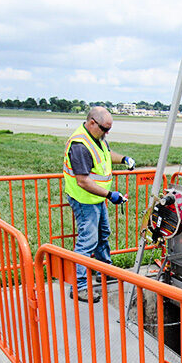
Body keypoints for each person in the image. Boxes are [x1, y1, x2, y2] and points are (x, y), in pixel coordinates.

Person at [63, 106, 136, 302]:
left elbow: (106, 154)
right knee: (87, 241)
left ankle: (105, 270)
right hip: (85, 200)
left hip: (96, 199)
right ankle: (79, 287)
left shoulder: (97, 138)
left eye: (109, 129)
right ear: (92, 122)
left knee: (103, 235)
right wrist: (110, 195)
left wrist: (124, 159)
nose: (107, 133)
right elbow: (83, 181)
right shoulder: (80, 145)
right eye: (105, 129)